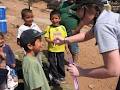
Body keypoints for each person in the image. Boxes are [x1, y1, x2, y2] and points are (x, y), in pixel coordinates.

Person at [54, 0, 120, 89]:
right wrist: (65, 40)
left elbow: (113, 70)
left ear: (89, 8)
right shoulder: (107, 16)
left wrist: (81, 72)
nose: (77, 13)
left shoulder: (102, 25)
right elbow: (86, 35)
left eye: (78, 9)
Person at [44, 10, 67, 85]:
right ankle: (55, 77)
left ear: (60, 19)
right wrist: (51, 41)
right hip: (52, 50)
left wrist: (66, 47)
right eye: (52, 18)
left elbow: (65, 38)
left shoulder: (63, 27)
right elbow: (46, 38)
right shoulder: (49, 28)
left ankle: (61, 76)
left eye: (56, 18)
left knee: (61, 63)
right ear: (50, 19)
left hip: (61, 49)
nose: (54, 20)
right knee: (53, 63)